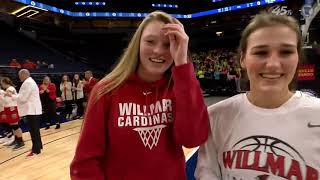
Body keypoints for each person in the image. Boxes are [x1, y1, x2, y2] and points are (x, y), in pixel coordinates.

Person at [70, 11, 209, 180]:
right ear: (138, 44)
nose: (158, 50)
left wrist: (182, 64)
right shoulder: (106, 90)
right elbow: (85, 163)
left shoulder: (180, 87)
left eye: (167, 44)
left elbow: (193, 138)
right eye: (150, 41)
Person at [195, 13, 320, 179]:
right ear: (243, 59)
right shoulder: (216, 116)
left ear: (298, 57)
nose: (273, 64)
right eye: (261, 52)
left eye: (286, 52)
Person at [9, 69, 43, 156]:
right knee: (35, 130)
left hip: (32, 110)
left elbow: (23, 98)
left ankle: (36, 150)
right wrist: (16, 95)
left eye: (20, 76)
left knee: (33, 131)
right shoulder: (30, 81)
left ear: (24, 75)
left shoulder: (28, 83)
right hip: (33, 110)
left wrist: (12, 95)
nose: (19, 77)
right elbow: (23, 96)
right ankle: (38, 146)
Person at [1, 77, 25, 150]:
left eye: (2, 83)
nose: (2, 85)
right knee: (12, 126)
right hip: (8, 108)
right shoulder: (7, 89)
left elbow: (10, 94)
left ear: (5, 83)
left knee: (15, 126)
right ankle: (16, 140)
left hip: (12, 109)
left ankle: (21, 141)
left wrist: (3, 92)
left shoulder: (11, 88)